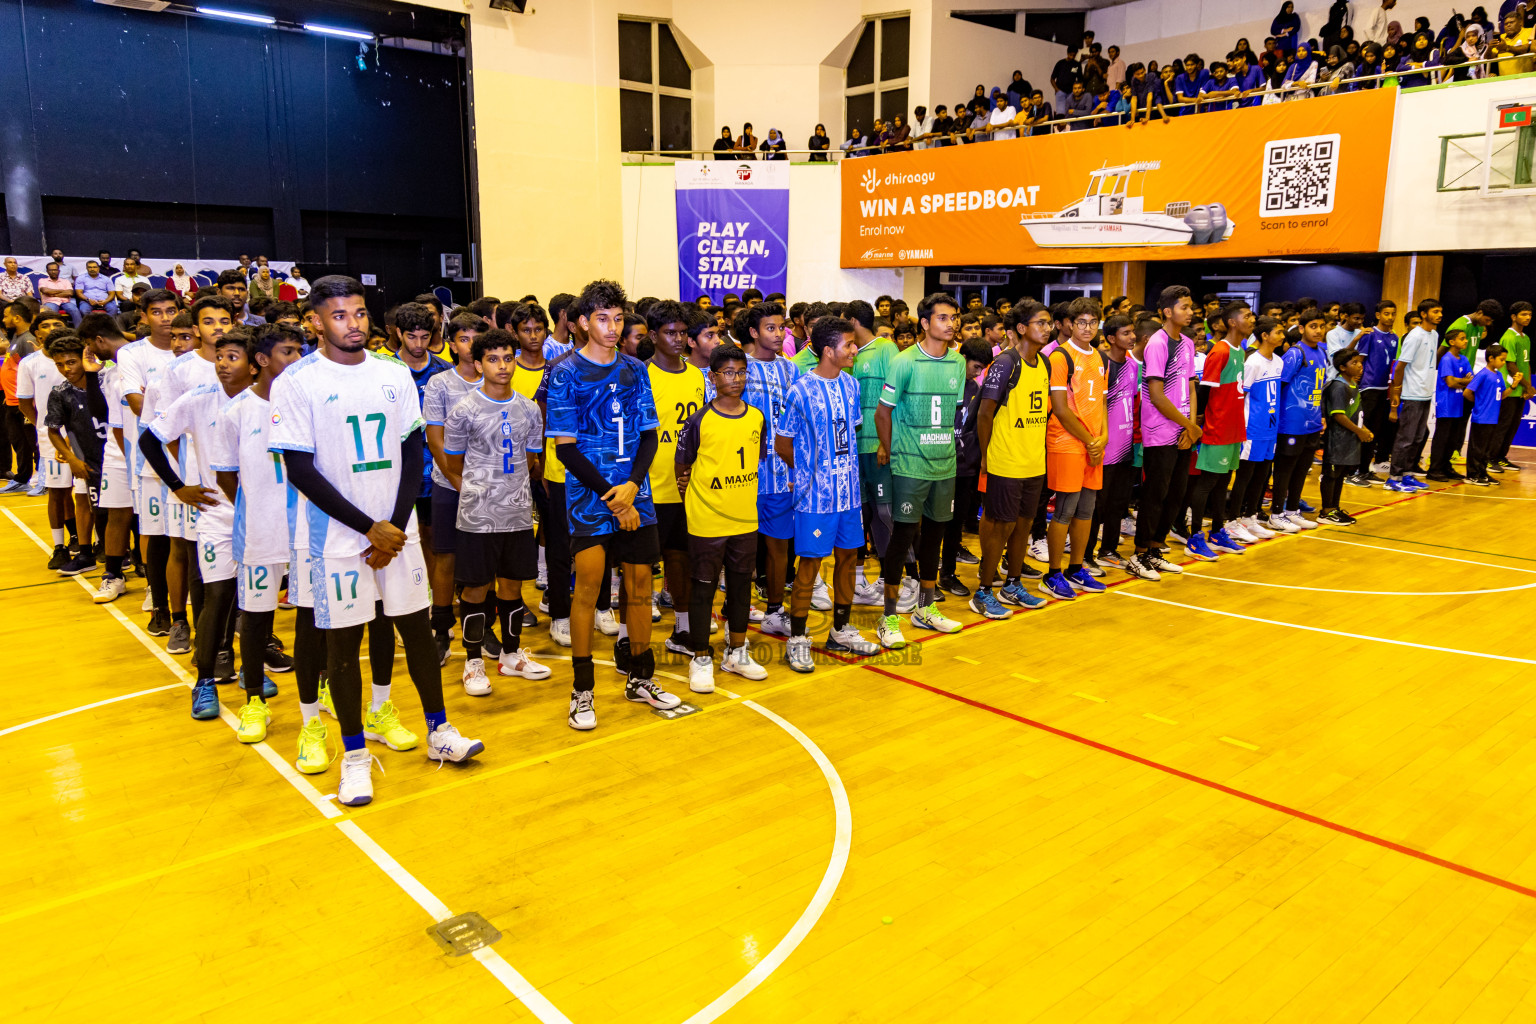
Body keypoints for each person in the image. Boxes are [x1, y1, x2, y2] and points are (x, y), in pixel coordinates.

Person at [270, 275, 484, 807]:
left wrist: (392, 522)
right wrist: (369, 527)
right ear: (315, 321)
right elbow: (299, 467)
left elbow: (414, 451)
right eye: (340, 316)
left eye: (361, 313)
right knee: (343, 648)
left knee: (415, 632)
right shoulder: (297, 381)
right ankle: (356, 757)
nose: (353, 324)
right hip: (337, 537)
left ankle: (439, 730)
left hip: (396, 531)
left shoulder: (393, 375)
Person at [546, 279, 682, 731]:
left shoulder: (634, 369)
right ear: (583, 322)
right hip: (589, 497)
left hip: (634, 494)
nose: (611, 327)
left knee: (640, 587)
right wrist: (613, 494)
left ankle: (641, 677)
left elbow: (648, 436)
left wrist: (633, 486)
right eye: (602, 319)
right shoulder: (563, 371)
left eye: (618, 319)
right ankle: (582, 690)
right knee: (587, 588)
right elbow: (565, 449)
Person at [140, 326, 259, 721]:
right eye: (219, 357)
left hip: (262, 515)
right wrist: (178, 486)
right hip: (216, 515)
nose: (222, 365)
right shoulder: (197, 399)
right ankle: (204, 679)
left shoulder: (267, 400)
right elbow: (149, 440)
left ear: (254, 364)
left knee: (256, 603)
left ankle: (251, 671)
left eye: (232, 357)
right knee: (217, 596)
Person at [208, 324, 314, 753]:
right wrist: (259, 507)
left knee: (312, 616)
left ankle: (320, 687)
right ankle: (254, 700)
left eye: (301, 350)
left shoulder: (309, 405)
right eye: (288, 351)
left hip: (309, 530)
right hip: (259, 533)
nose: (298, 358)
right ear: (262, 360)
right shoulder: (237, 411)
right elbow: (225, 475)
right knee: (255, 618)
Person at [440, 327, 549, 696]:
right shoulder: (464, 410)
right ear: (479, 362)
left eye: (507, 358)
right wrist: (475, 493)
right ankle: (472, 663)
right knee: (475, 588)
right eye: (492, 359)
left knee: (513, 585)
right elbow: (452, 464)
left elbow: (532, 460)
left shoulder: (529, 409)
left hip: (517, 514)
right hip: (476, 516)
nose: (502, 366)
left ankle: (511, 654)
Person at [774, 316, 881, 671]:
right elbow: (782, 442)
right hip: (815, 499)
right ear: (827, 350)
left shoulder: (851, 385)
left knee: (849, 559)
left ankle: (840, 628)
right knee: (810, 564)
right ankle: (799, 638)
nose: (854, 349)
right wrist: (808, 474)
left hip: (849, 494)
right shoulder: (800, 389)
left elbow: (847, 435)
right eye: (848, 344)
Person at [874, 293, 967, 646]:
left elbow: (953, 413)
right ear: (925, 323)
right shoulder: (903, 362)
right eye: (943, 318)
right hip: (910, 465)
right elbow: (883, 412)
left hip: (945, 465)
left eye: (953, 318)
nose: (951, 324)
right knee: (902, 538)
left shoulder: (957, 363)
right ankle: (889, 617)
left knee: (935, 537)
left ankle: (926, 608)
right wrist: (889, 448)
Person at [675, 344, 768, 692]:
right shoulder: (699, 420)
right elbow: (682, 466)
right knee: (703, 587)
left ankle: (737, 652)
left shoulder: (757, 416)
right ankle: (701, 656)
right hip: (707, 519)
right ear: (713, 377)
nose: (736, 379)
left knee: (742, 585)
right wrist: (697, 498)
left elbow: (754, 457)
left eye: (741, 372)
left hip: (745, 517)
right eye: (728, 372)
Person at [644, 300, 708, 658]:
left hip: (685, 489)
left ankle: (682, 630)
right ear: (654, 335)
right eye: (671, 332)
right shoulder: (639, 375)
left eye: (684, 333)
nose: (679, 339)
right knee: (638, 569)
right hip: (648, 487)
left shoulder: (698, 376)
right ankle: (629, 638)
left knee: (681, 562)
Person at [735, 302, 801, 636]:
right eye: (770, 328)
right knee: (741, 549)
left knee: (779, 546)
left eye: (781, 328)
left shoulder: (791, 370)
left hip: (780, 475)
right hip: (742, 477)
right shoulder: (737, 368)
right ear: (753, 332)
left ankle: (775, 609)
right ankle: (737, 607)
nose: (779, 334)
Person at [1039, 298, 1109, 600]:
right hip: (1066, 442)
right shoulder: (1060, 357)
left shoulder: (1100, 357)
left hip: (1093, 445)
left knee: (1087, 509)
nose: (1087, 328)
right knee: (1065, 510)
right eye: (1081, 322)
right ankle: (1052, 574)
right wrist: (1090, 440)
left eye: (1093, 322)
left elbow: (1102, 403)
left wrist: (1102, 438)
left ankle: (1076, 567)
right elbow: (1060, 408)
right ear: (1069, 324)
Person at [1128, 287, 1201, 580]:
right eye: (1184, 307)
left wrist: (1191, 427)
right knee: (1155, 494)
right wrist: (1188, 425)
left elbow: (1191, 387)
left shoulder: (1187, 343)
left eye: (1191, 306)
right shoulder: (1158, 343)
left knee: (1176, 494)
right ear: (1168, 312)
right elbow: (1156, 395)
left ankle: (1156, 550)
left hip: (1184, 431)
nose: (1190, 312)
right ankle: (1139, 554)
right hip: (1161, 432)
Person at [1188, 302, 1254, 556]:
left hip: (1234, 428)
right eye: (1247, 316)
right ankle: (1194, 538)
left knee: (1223, 482)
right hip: (1217, 428)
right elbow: (1204, 390)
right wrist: (1198, 425)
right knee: (1207, 483)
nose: (1252, 319)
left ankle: (1217, 532)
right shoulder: (1221, 352)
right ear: (1233, 322)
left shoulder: (1239, 350)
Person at [42, 332, 105, 576]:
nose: (65, 369)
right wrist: (72, 458)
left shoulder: (105, 381)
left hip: (116, 457)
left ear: (83, 358)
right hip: (88, 462)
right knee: (96, 508)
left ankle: (125, 555)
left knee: (124, 514)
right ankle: (88, 555)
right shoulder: (60, 392)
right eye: (59, 364)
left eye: (71, 362)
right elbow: (54, 431)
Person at [1268, 307, 1328, 531]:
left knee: (1303, 468)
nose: (1318, 331)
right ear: (1302, 328)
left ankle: (1293, 510)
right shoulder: (1295, 353)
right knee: (1285, 468)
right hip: (1291, 423)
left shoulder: (1322, 352)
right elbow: (1280, 385)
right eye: (1313, 326)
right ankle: (1276, 513)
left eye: (1322, 326)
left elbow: (1319, 387)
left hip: (1311, 422)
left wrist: (1320, 415)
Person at [1387, 298, 1442, 492]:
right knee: (1406, 438)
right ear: (1424, 314)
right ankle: (1393, 478)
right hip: (1411, 393)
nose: (1440, 315)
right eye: (1435, 311)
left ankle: (1408, 474)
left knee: (1418, 438)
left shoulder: (1434, 334)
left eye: (1440, 311)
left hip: (1426, 394)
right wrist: (1397, 390)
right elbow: (1400, 366)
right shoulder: (1415, 335)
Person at [1316, 350, 1372, 525]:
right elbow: (1339, 415)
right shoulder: (1338, 387)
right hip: (1337, 440)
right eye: (1354, 363)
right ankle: (1326, 511)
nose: (1359, 366)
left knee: (1340, 475)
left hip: (1349, 440)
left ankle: (1335, 507)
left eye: (1359, 362)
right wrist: (1359, 431)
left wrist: (1365, 429)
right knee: (1331, 475)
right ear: (1342, 367)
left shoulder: (1353, 385)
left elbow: (1354, 413)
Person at [1465, 344, 1520, 484]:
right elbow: (1467, 392)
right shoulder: (1483, 374)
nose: (1503, 363)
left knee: (1486, 449)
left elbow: (1501, 395)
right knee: (1477, 448)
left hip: (1493, 417)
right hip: (1481, 417)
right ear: (1491, 358)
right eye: (1501, 360)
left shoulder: (1499, 375)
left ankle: (1482, 473)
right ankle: (1472, 474)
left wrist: (1514, 385)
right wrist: (1479, 404)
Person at [1427, 327, 1475, 480]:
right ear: (1452, 342)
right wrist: (1463, 381)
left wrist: (1460, 381)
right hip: (1447, 403)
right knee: (1442, 437)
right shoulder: (1447, 359)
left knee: (1453, 438)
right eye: (1462, 338)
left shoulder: (1465, 359)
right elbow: (1450, 382)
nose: (1466, 341)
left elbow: (1470, 380)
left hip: (1458, 404)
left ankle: (1446, 467)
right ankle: (1434, 469)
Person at [1492, 300, 1530, 472]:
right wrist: (1526, 385)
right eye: (1523, 314)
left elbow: (1526, 364)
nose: (1528, 317)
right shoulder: (1508, 337)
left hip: (1521, 389)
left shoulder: (1525, 337)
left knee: (1513, 426)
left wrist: (1528, 387)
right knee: (1503, 425)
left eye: (1529, 314)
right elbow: (1510, 365)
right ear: (1513, 317)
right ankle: (1490, 458)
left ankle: (1501, 457)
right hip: (1510, 388)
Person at [1051, 43, 1083, 113]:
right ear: (1067, 53)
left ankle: (1069, 124)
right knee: (1061, 112)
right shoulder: (1060, 63)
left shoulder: (1077, 64)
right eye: (1070, 55)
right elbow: (1052, 79)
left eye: (1074, 55)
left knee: (1070, 113)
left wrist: (1077, 91)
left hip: (1072, 93)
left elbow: (1080, 79)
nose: (1072, 57)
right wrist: (1057, 90)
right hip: (1060, 92)